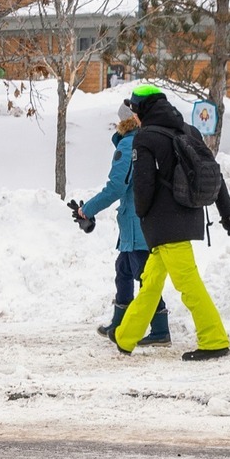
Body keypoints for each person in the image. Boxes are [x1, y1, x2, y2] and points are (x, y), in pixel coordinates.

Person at [110, 84, 230, 361]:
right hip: (190, 214)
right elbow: (212, 173)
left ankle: (214, 339)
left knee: (188, 283)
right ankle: (126, 336)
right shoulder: (188, 131)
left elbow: (143, 185)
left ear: (142, 110)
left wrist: (143, 215)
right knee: (152, 281)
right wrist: (226, 212)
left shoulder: (145, 137)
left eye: (134, 110)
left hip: (163, 223)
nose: (133, 117)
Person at [74, 107, 169, 346]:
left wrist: (88, 209)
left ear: (125, 122)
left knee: (143, 276)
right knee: (124, 270)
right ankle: (119, 323)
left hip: (138, 224)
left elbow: (116, 186)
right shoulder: (145, 141)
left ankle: (160, 329)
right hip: (136, 222)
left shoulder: (129, 146)